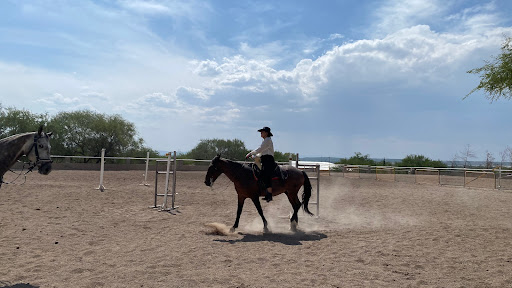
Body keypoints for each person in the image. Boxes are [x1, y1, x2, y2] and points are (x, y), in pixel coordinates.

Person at [246, 126, 276, 202]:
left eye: (262, 132)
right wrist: (254, 156)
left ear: (266, 133)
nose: (261, 133)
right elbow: (261, 153)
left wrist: (250, 153)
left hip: (268, 160)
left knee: (265, 175)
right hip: (264, 159)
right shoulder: (266, 140)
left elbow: (260, 149)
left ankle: (269, 194)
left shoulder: (267, 140)